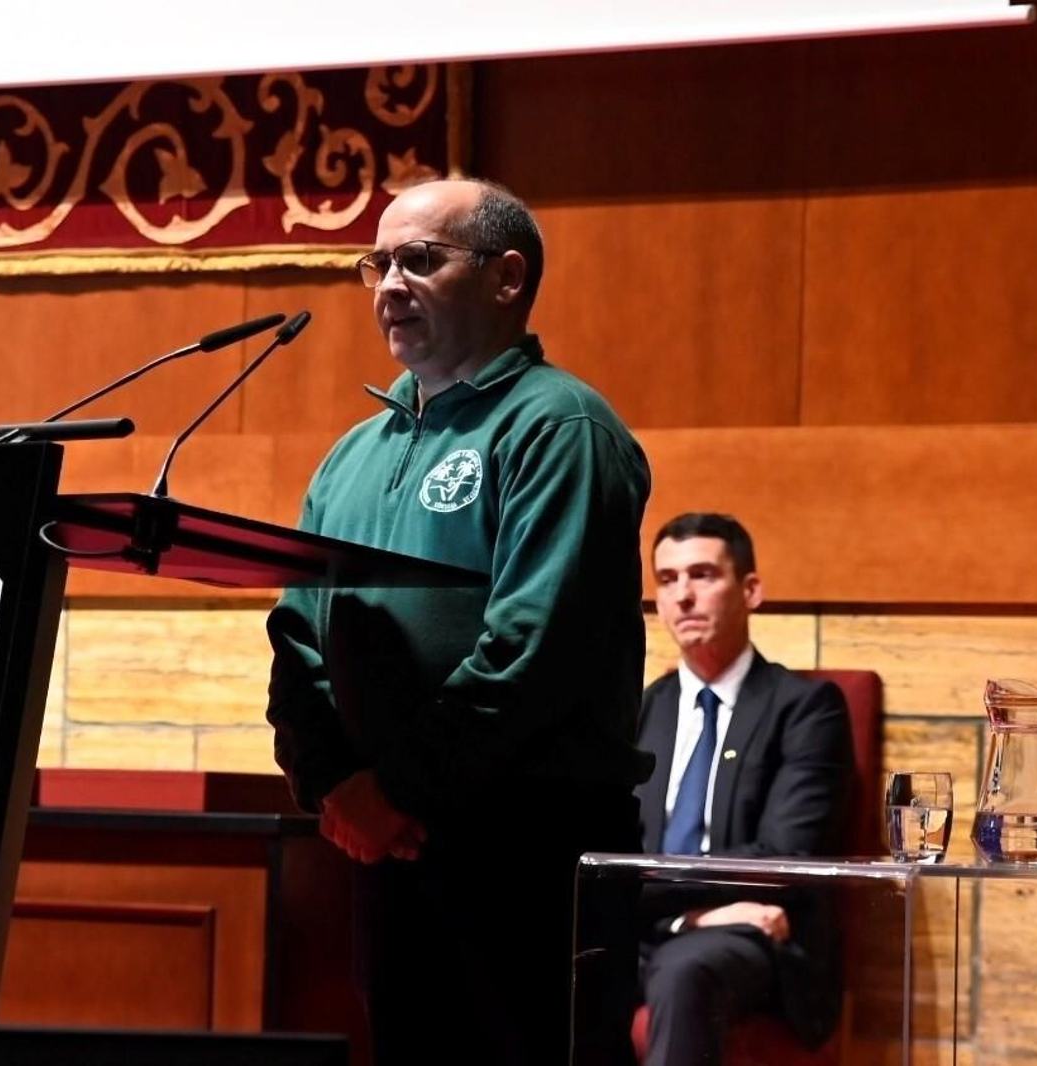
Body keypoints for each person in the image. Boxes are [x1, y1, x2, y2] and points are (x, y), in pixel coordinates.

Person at [264, 177, 652, 1066]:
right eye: (377, 263)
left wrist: (392, 789)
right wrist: (333, 785)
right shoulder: (353, 455)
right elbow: (297, 637)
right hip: (391, 852)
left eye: (420, 260)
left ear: (507, 278)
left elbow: (533, 648)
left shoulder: (559, 427)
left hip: (528, 850)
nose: (388, 285)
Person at [635, 513, 856, 1065]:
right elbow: (606, 851)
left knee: (689, 968)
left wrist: (648, 893)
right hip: (658, 925)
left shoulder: (806, 709)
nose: (683, 595)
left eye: (703, 574)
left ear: (751, 590)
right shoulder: (643, 711)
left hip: (761, 937)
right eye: (667, 580)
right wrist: (689, 915)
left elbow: (784, 859)